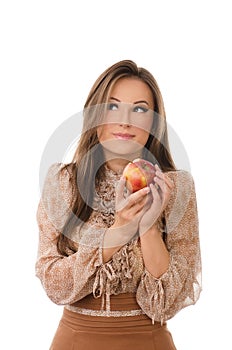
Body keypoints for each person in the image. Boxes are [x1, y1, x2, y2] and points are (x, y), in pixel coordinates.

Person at [35, 60, 202, 350]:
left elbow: (164, 305)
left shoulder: (176, 188)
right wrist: (121, 229)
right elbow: (55, 285)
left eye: (139, 109)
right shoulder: (62, 181)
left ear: (154, 121)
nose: (125, 121)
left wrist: (148, 227)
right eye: (113, 106)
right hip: (74, 341)